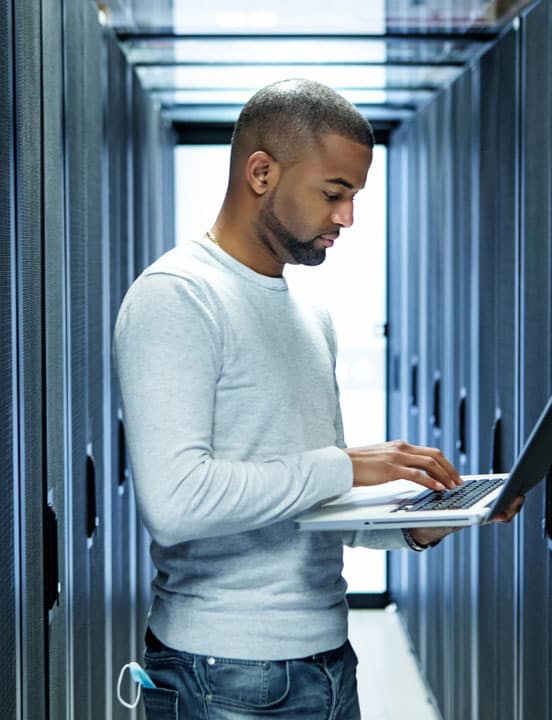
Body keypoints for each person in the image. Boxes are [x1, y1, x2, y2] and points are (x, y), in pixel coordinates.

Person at [113, 78, 523, 720]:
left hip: (328, 663)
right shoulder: (177, 297)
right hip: (222, 675)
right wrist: (346, 464)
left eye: (355, 196)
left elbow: (311, 506)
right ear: (260, 172)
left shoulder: (309, 312)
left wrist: (422, 526)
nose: (347, 218)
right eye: (334, 193)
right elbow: (175, 502)